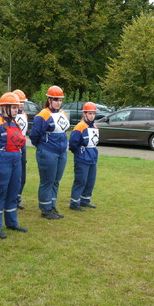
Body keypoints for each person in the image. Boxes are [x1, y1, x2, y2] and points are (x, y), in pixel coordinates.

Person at [0, 92, 27, 238]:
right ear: (4, 108)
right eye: (13, 107)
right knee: (0, 191)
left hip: (16, 159)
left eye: (16, 107)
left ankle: (12, 222)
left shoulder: (16, 123)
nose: (16, 110)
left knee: (13, 191)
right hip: (1, 160)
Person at [30, 85, 70, 220]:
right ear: (49, 100)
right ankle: (45, 209)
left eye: (60, 100)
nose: (58, 102)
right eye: (56, 99)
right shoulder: (42, 116)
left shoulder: (62, 114)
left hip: (61, 152)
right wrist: (43, 147)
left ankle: (52, 206)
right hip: (48, 152)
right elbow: (34, 136)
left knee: (56, 180)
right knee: (47, 180)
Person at [69, 102, 99, 211]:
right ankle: (74, 202)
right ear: (85, 114)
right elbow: (73, 143)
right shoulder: (80, 127)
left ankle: (85, 200)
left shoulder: (95, 126)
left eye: (93, 113)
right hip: (82, 158)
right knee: (80, 180)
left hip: (92, 158)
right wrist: (79, 153)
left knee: (90, 180)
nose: (92, 116)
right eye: (89, 113)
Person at [13, 89, 28, 210]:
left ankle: (17, 198)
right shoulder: (11, 117)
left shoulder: (24, 115)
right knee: (14, 174)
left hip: (22, 145)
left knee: (22, 175)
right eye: (20, 102)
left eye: (23, 102)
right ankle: (11, 198)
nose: (22, 105)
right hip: (14, 146)